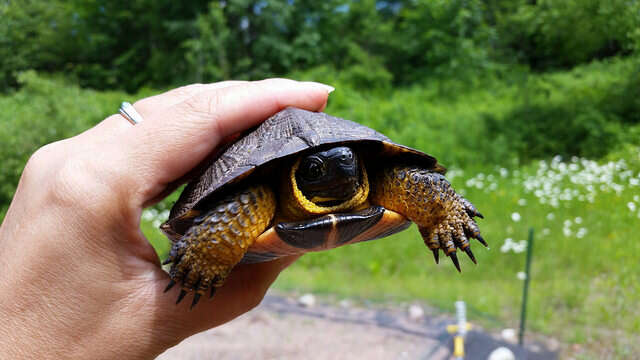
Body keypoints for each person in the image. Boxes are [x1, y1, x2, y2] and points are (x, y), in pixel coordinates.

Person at [0, 79, 334, 359]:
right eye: (316, 171)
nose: (340, 175)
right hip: (258, 200)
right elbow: (250, 197)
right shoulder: (263, 195)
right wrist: (204, 257)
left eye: (351, 168)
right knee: (254, 198)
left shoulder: (375, 179)